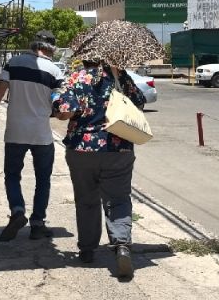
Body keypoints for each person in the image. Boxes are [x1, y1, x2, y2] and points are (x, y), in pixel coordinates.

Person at [52, 60, 146, 278]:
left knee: (86, 200)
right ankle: (121, 245)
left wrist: (56, 98)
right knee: (119, 199)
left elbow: (64, 112)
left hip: (82, 150)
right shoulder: (120, 77)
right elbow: (140, 102)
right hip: (118, 149)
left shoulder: (77, 78)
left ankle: (87, 249)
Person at [0, 30, 63, 242]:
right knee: (43, 179)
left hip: (15, 131)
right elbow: (59, 104)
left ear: (33, 45)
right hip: (42, 134)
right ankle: (37, 224)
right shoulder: (55, 71)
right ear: (51, 49)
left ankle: (18, 211)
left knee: (12, 175)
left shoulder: (14, 63)